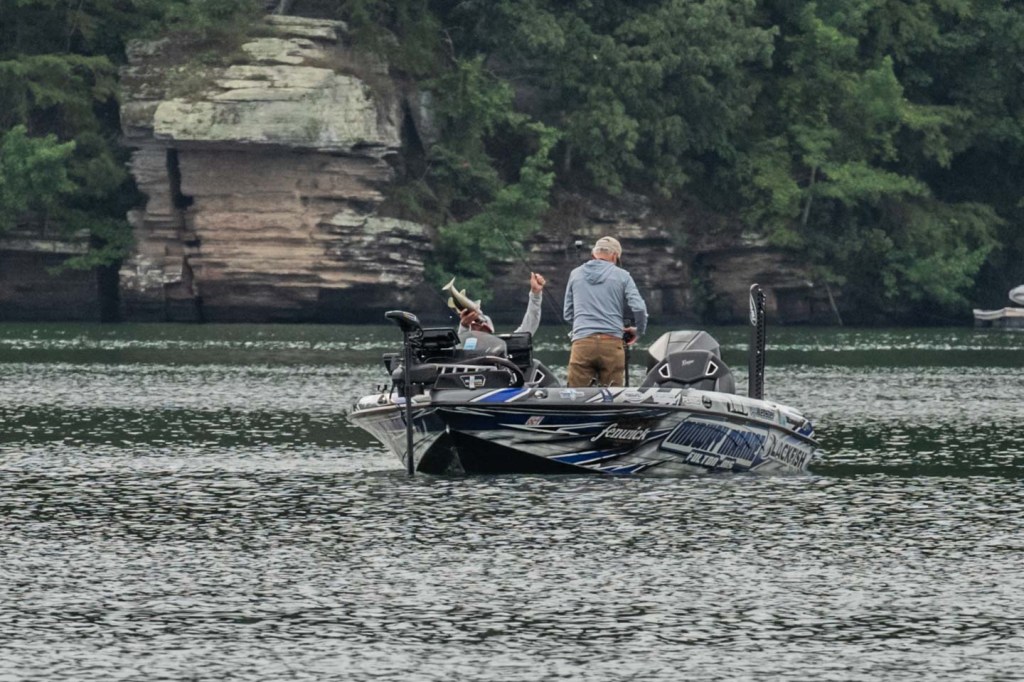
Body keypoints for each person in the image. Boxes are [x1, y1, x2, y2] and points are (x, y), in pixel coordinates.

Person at [563, 236, 647, 387]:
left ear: (593, 254)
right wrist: (638, 331)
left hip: (582, 344)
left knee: (576, 395)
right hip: (612, 344)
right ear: (615, 256)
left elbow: (568, 314)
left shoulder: (575, 274)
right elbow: (639, 307)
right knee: (613, 395)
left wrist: (583, 326)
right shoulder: (623, 275)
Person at [459, 272, 546, 336]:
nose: (479, 327)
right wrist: (464, 326)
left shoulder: (506, 344)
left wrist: (536, 295)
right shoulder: (462, 349)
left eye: (481, 324)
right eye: (474, 326)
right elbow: (461, 343)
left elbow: (529, 326)